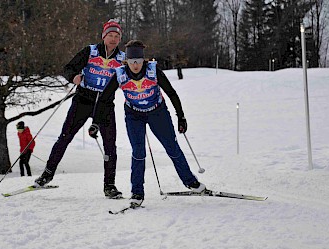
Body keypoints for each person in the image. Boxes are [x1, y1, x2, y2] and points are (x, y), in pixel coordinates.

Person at [88, 40, 206, 207]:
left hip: (157, 112)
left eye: (137, 61)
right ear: (126, 61)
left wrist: (181, 116)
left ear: (143, 60)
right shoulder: (120, 74)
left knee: (171, 147)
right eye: (131, 61)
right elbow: (104, 98)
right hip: (134, 114)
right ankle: (137, 192)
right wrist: (96, 123)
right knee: (138, 151)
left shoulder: (153, 70)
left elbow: (171, 93)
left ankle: (191, 182)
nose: (135, 65)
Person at [34, 19, 125, 199]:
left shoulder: (122, 58)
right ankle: (47, 173)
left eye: (117, 36)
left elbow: (130, 78)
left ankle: (110, 185)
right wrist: (74, 77)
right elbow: (68, 68)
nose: (113, 39)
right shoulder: (90, 51)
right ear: (103, 36)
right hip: (84, 100)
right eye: (110, 35)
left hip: (105, 105)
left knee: (110, 146)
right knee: (65, 137)